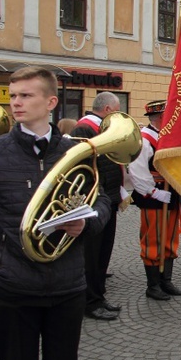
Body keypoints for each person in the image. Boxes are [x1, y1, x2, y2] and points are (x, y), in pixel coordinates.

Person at [0, 67, 111, 360]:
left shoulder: (77, 151)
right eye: (14, 96)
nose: (16, 103)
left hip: (67, 286)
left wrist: (87, 222)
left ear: (51, 102)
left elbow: (103, 200)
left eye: (26, 95)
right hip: (13, 287)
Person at [70, 91, 124, 321]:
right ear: (109, 110)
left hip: (108, 198)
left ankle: (98, 295)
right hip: (93, 201)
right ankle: (90, 301)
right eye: (118, 108)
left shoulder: (101, 127)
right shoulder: (84, 129)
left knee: (103, 252)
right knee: (91, 255)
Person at [129, 100, 181, 300]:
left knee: (170, 238)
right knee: (154, 239)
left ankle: (165, 280)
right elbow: (136, 171)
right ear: (162, 118)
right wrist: (153, 192)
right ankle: (152, 285)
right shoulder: (144, 139)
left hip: (171, 193)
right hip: (154, 195)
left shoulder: (166, 136)